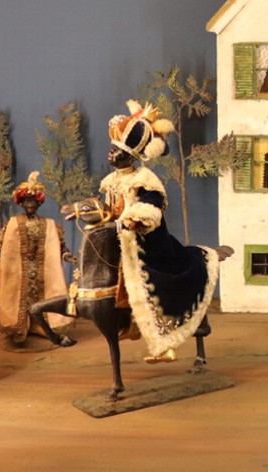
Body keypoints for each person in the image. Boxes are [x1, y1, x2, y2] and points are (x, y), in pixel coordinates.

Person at [91, 100, 219, 364]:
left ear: (130, 156)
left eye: (117, 151)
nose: (111, 154)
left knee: (148, 284)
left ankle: (164, 344)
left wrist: (133, 220)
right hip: (117, 238)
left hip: (145, 242)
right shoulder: (111, 181)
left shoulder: (145, 179)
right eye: (111, 149)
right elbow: (108, 209)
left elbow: (152, 206)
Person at [0, 171, 76, 345]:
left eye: (33, 201)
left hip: (42, 274)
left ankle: (41, 327)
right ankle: (20, 328)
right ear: (21, 203)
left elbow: (60, 245)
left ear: (38, 203)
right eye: (27, 201)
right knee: (19, 302)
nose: (30, 204)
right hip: (18, 273)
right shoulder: (13, 223)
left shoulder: (48, 224)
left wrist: (67, 256)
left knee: (42, 302)